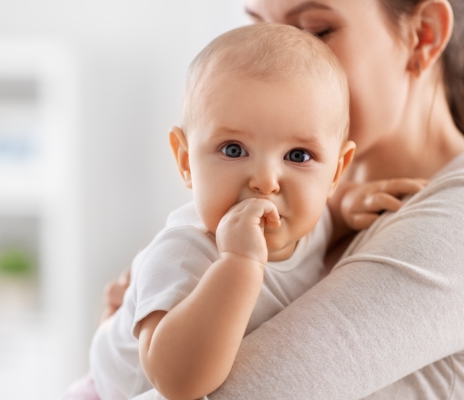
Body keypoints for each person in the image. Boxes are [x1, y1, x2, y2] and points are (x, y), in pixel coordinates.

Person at [69, 0, 464, 398]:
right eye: (257, 26)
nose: (280, 59)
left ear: (422, 35)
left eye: (316, 31)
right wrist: (127, 335)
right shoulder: (299, 212)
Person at [86, 23, 425, 400]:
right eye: (233, 149)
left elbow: (329, 218)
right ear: (185, 161)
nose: (265, 180)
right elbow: (177, 383)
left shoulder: (313, 224)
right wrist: (239, 264)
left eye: (298, 156)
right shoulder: (184, 253)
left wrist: (347, 206)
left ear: (335, 171)